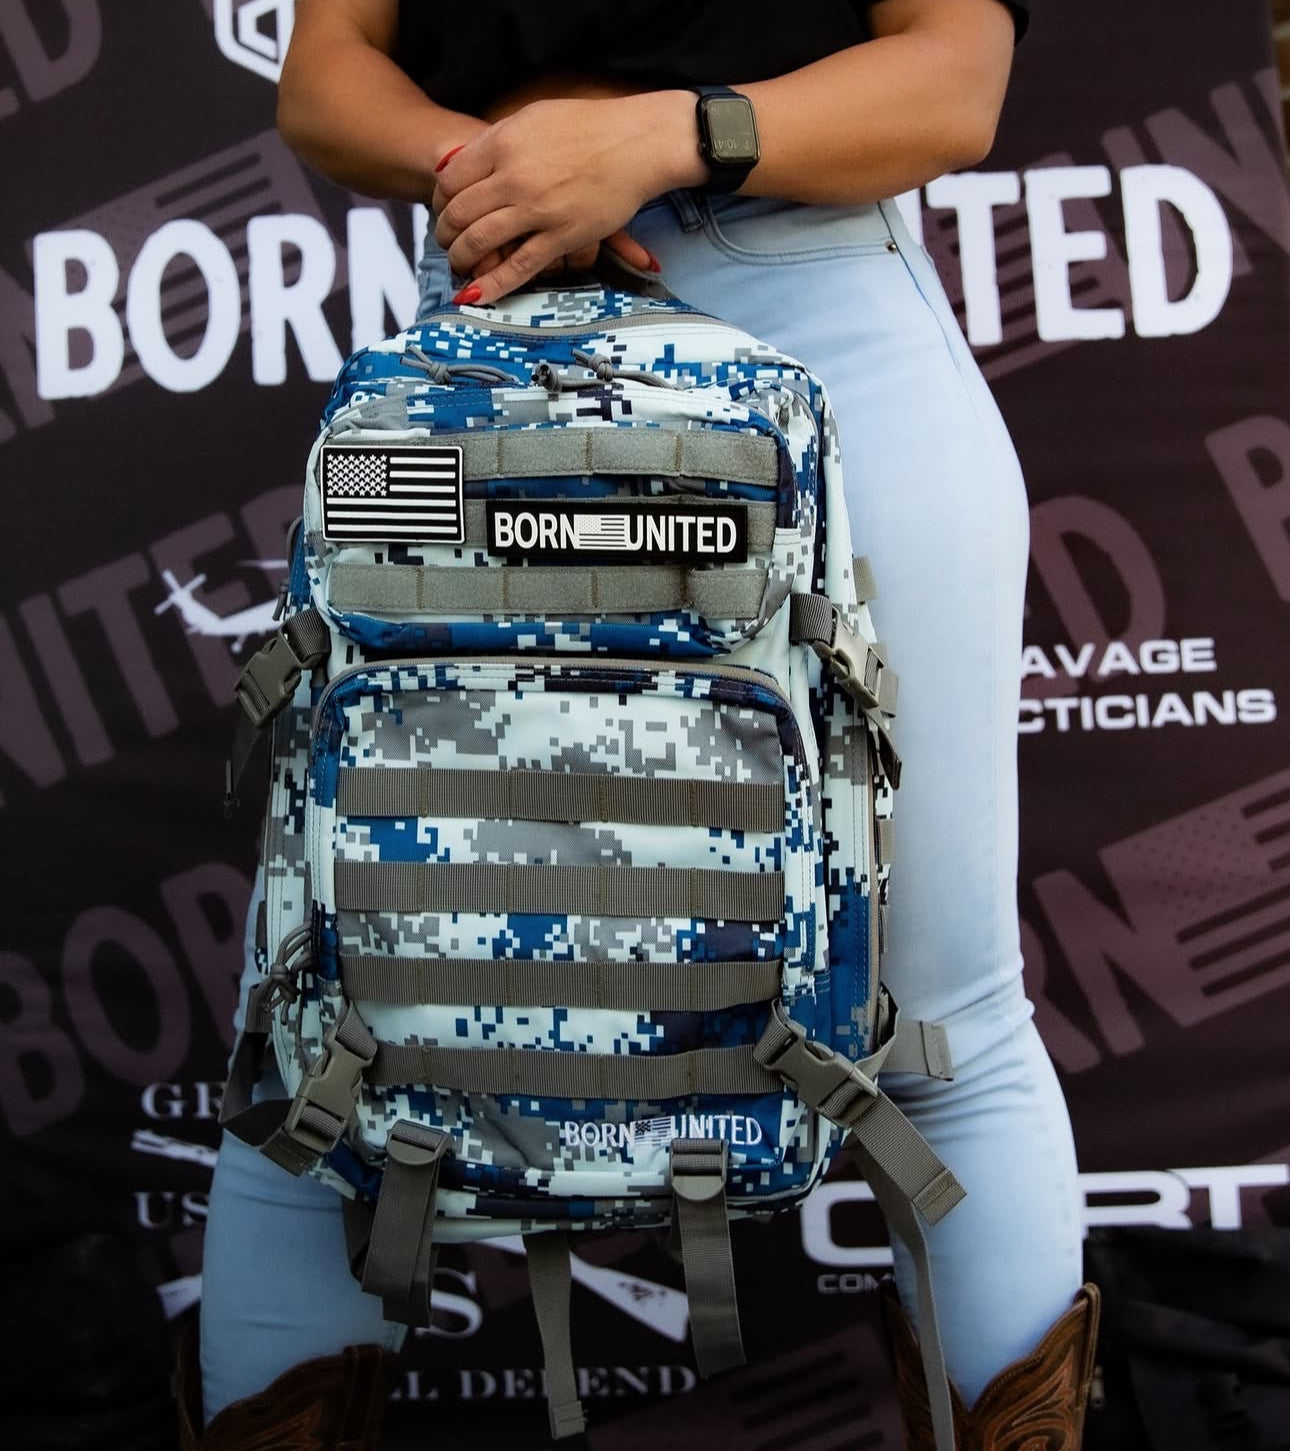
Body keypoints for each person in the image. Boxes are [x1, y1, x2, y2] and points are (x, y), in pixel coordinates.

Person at [191, 2, 1098, 1448]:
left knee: (942, 1026)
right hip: (481, 311)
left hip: (812, 300)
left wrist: (659, 139)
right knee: (334, 1013)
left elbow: (952, 77)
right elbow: (324, 74)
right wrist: (505, 170)